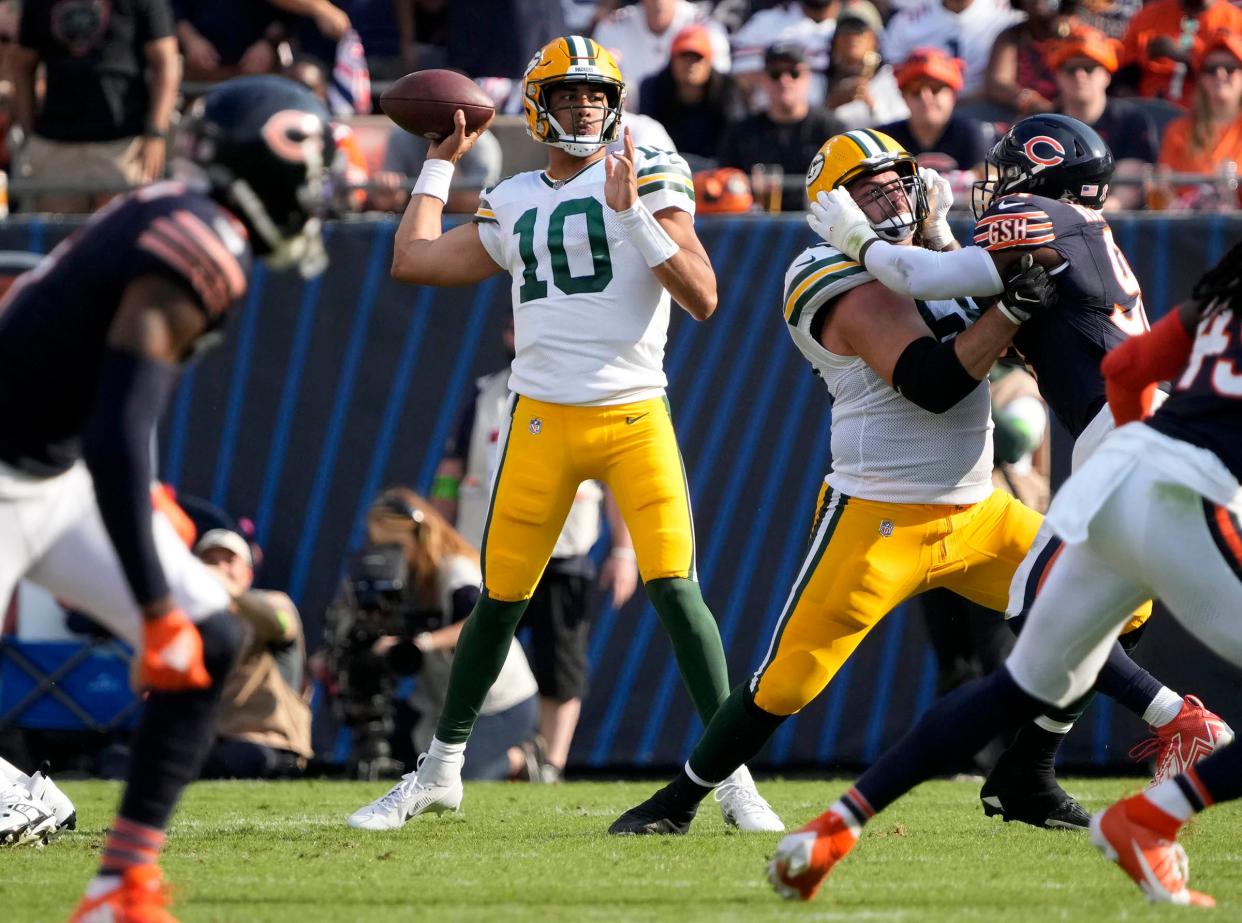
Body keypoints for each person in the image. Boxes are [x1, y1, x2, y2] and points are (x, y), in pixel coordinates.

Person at [346, 35, 781, 833]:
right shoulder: (511, 197)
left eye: (597, 94)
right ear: (538, 106)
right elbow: (412, 259)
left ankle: (732, 777)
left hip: (632, 414)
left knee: (677, 590)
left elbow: (704, 295)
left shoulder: (648, 168)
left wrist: (637, 216)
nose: (586, 106)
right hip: (541, 417)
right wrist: (440, 160)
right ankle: (439, 771)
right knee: (498, 600)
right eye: (571, 93)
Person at [610, 128, 1058, 836]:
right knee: (785, 681)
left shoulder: (925, 256)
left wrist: (947, 240)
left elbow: (980, 319)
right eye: (868, 188)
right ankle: (677, 799)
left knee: (1113, 602)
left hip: (978, 506)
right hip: (881, 513)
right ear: (830, 208)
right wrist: (1007, 307)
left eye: (897, 180)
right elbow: (932, 382)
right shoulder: (826, 270)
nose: (893, 197)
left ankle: (1027, 772)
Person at [766, 241, 1242, 908]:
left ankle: (829, 830)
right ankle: (1151, 818)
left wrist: (1144, 458)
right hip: (1190, 492)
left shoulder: (1222, 292)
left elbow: (1130, 366)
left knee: (1018, 685)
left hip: (1116, 477)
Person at [805, 112, 1232, 825]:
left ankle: (1179, 717)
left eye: (1012, 168)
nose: (998, 185)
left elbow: (920, 276)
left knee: (1037, 605)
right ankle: (1028, 772)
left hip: (1129, 449)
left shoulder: (1042, 216)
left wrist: (854, 236)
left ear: (1045, 171)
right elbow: (972, 295)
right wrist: (940, 232)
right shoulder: (1076, 230)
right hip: (1137, 443)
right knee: (1070, 615)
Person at [0, 75, 335, 919]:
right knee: (183, 627)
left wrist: (166, 609)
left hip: (50, 475)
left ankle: (121, 884)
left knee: (213, 636)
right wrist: (151, 606)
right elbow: (121, 432)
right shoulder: (198, 246)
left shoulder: (180, 216)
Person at [432, 317, 640, 780]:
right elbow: (451, 469)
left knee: (560, 661)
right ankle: (459, 754)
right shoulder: (485, 393)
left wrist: (624, 552)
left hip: (563, 550)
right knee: (478, 649)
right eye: (510, 325)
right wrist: (437, 532)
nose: (518, 333)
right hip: (485, 553)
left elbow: (617, 474)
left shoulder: (587, 388)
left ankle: (550, 765)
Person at [359, 489, 546, 782]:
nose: (388, 556)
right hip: (445, 704)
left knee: (458, 778)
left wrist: (422, 643)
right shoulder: (401, 582)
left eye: (394, 546)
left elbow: (477, 625)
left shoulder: (455, 570)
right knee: (413, 769)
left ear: (416, 536)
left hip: (501, 704)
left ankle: (521, 759)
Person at [10, 0, 179, 213]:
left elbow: (166, 63)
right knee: (56, 243)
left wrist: (156, 134)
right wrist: (29, 133)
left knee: (119, 238)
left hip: (123, 146)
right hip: (56, 148)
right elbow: (23, 64)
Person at [195, 530, 313, 781]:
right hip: (211, 741)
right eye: (210, 561)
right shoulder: (193, 622)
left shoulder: (274, 602)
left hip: (267, 743)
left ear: (248, 573)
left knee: (220, 763)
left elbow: (281, 625)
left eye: (229, 561)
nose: (218, 568)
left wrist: (229, 590)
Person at [717, 42, 844, 209]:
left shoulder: (832, 129)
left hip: (820, 225)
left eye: (794, 73)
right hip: (756, 227)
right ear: (763, 79)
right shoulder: (740, 132)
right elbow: (724, 185)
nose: (785, 80)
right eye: (775, 74)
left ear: (808, 78)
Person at [1048, 25, 1157, 210]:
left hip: (1114, 223)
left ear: (1107, 75)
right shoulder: (1042, 126)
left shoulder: (1131, 120)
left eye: (1089, 68)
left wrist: (1081, 215)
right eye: (1070, 68)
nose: (1080, 75)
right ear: (1058, 76)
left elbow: (1125, 194)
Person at [1158, 29, 1242, 208]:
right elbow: (1164, 190)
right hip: (1188, 227)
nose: (1220, 74)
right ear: (1201, 78)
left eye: (1230, 68)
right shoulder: (1178, 129)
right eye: (1210, 70)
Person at [882, 0, 1025, 99]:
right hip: (926, 105)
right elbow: (892, 74)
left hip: (986, 103)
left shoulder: (1008, 16)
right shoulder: (907, 21)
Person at [878, 48, 988, 174]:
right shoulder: (885, 139)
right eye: (915, 90)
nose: (926, 97)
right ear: (903, 97)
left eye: (935, 89)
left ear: (953, 94)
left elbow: (985, 186)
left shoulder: (972, 134)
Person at [1119, 0, 1242, 108]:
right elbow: (1122, 74)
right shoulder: (1149, 15)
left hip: (1207, 118)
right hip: (1148, 113)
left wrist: (1184, 57)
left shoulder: (1236, 22)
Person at [639, 25, 734, 162]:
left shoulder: (727, 90)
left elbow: (732, 139)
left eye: (697, 57)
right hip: (664, 166)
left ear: (709, 63)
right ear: (672, 60)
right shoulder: (653, 88)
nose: (690, 64)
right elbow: (646, 138)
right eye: (684, 56)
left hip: (715, 169)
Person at [730, 0, 840, 110]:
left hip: (823, 117)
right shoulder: (766, 22)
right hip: (767, 115)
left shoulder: (843, 28)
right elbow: (742, 77)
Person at [984, 0, 1079, 117]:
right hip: (1021, 116)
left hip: (1072, 114)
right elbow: (997, 83)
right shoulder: (1011, 36)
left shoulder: (1077, 35)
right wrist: (1028, 99)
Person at [824, 3, 908, 130]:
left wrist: (871, 104)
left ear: (874, 39)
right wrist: (830, 106)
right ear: (835, 40)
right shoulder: (819, 77)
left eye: (860, 29)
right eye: (845, 30)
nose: (852, 37)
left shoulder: (890, 79)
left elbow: (904, 128)